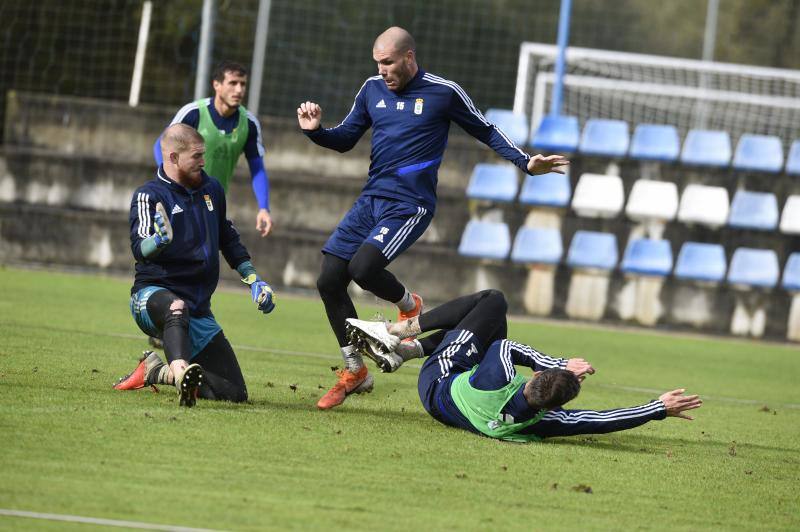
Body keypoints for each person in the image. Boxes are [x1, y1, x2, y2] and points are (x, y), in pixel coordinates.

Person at [297, 27, 569, 410]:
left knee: (363, 267)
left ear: (409, 57)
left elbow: (486, 129)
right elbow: (345, 139)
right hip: (371, 200)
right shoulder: (371, 89)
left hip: (410, 205)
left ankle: (410, 305)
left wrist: (526, 162)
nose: (382, 70)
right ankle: (354, 370)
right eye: (377, 63)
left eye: (388, 62)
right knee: (328, 280)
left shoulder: (444, 92)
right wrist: (316, 133)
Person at [345, 290, 702, 441]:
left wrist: (561, 362)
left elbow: (505, 345)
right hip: (443, 411)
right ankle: (401, 353)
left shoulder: (498, 374)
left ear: (539, 376)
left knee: (491, 302)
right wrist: (658, 408)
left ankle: (395, 333)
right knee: (476, 331)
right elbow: (601, 421)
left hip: (437, 381)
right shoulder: (547, 420)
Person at [114, 124, 276, 407]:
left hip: (199, 310)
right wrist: (158, 241)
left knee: (234, 394)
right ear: (174, 157)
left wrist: (253, 280)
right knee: (176, 306)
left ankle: (157, 371)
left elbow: (228, 238)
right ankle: (180, 375)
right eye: (197, 156)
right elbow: (140, 249)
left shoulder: (212, 189)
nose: (204, 162)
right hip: (152, 299)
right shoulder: (149, 195)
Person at [154, 61, 273, 238]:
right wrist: (173, 183)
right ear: (216, 85)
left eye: (243, 84)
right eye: (233, 83)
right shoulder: (193, 113)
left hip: (212, 203)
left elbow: (257, 168)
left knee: (206, 260)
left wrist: (264, 207)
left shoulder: (249, 123)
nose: (239, 90)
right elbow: (160, 147)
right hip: (179, 197)